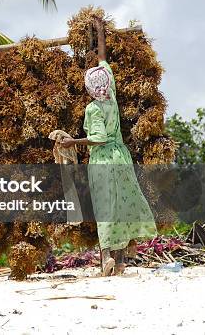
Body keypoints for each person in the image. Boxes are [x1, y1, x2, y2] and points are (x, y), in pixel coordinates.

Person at [60, 18, 157, 276]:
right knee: (121, 204)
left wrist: (73, 142)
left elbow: (99, 138)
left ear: (90, 89)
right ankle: (121, 260)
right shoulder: (111, 93)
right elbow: (104, 59)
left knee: (105, 208)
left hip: (103, 159)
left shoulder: (93, 109)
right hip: (121, 157)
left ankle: (105, 260)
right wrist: (101, 32)